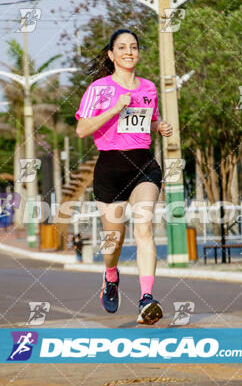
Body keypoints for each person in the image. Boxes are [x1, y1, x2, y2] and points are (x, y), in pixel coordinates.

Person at [75, 29, 173, 325]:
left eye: (133, 47)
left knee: (144, 229)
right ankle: (111, 274)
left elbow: (147, 119)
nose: (129, 52)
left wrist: (158, 127)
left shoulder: (149, 87)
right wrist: (115, 109)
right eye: (122, 47)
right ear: (111, 54)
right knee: (113, 241)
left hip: (144, 166)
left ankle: (146, 298)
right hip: (110, 168)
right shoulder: (99, 89)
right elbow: (82, 129)